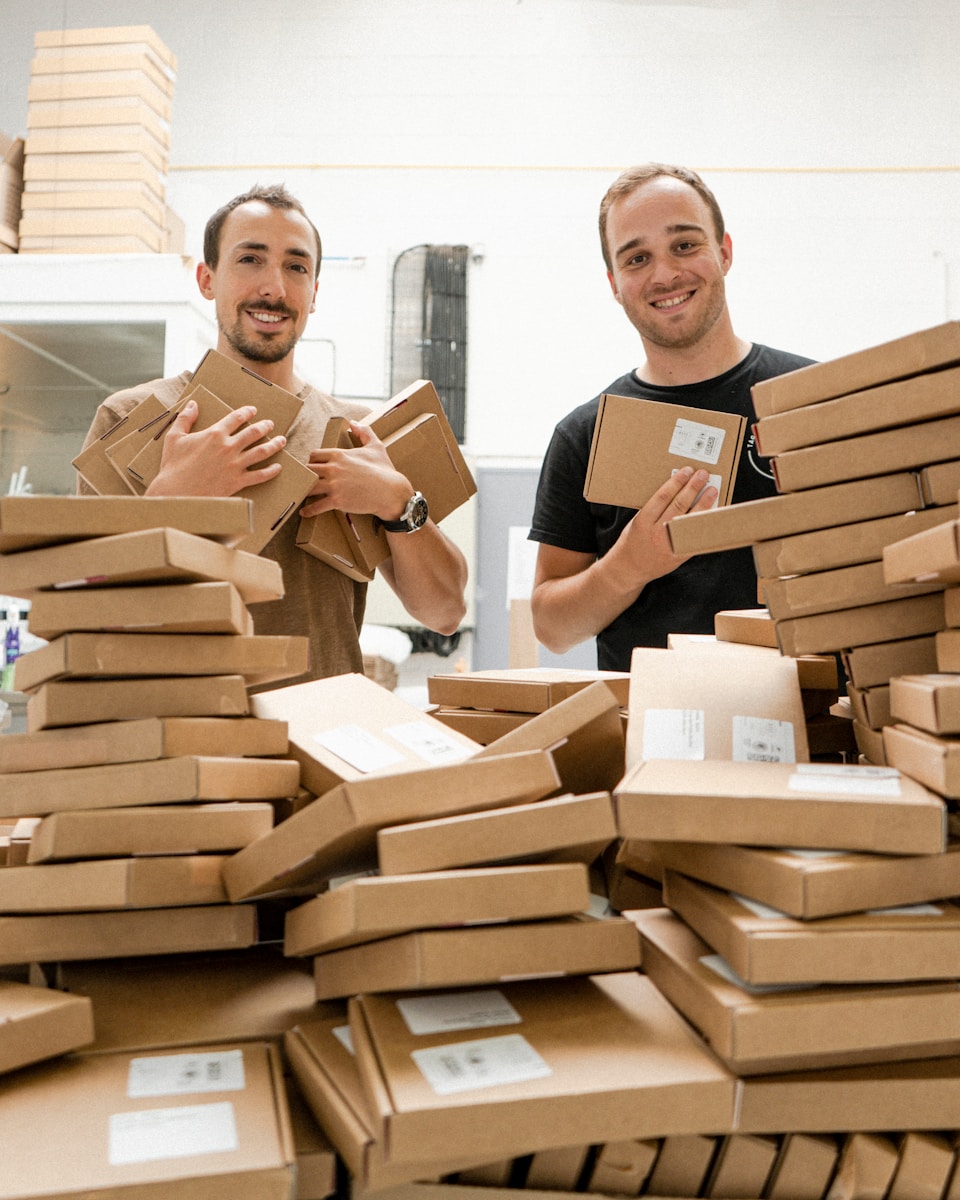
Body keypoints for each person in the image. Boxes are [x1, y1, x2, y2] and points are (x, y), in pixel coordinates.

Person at [78, 185, 468, 686]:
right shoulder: (131, 418)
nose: (274, 289)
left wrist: (398, 503)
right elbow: (90, 619)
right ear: (207, 279)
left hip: (325, 744)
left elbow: (445, 611)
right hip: (187, 742)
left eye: (296, 267)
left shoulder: (359, 437)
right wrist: (174, 501)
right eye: (250, 259)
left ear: (314, 293)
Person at [528, 163, 814, 671]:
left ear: (724, 251)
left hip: (809, 722)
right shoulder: (585, 436)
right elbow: (552, 627)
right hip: (655, 732)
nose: (664, 275)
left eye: (684, 245)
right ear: (615, 284)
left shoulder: (811, 400)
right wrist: (627, 566)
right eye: (637, 258)